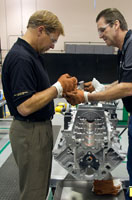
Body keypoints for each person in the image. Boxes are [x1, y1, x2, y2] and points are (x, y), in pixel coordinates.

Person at [66, 8, 132, 200]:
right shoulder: (124, 48)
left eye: (102, 30)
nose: (100, 35)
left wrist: (86, 97)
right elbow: (122, 82)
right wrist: (99, 89)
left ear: (116, 24)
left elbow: (127, 88)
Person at [2, 10, 77, 200]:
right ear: (41, 30)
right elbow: (25, 106)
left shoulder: (32, 55)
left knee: (39, 185)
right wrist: (58, 88)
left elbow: (36, 93)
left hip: (37, 129)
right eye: (52, 40)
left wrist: (61, 90)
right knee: (34, 191)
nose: (52, 46)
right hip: (30, 131)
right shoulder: (21, 58)